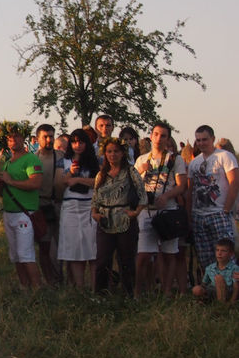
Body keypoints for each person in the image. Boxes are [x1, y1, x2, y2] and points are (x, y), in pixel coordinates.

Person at [134, 122, 187, 295]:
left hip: (168, 210)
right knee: (143, 255)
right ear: (151, 136)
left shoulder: (175, 159)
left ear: (167, 138)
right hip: (146, 210)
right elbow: (132, 185)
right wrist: (141, 171)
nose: (158, 138)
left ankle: (166, 292)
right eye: (156, 134)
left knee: (169, 253)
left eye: (163, 135)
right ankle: (139, 291)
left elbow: (182, 186)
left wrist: (166, 196)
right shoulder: (142, 159)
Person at [91, 137, 147, 295]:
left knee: (126, 260)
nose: (112, 154)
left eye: (116, 151)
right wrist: (95, 214)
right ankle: (101, 294)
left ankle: (129, 294)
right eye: (109, 151)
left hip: (125, 219)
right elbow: (95, 199)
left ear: (122, 153)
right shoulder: (101, 175)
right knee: (102, 260)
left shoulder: (130, 171)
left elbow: (143, 195)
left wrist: (135, 213)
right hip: (105, 220)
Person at [0, 122, 43, 290]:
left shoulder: (30, 159)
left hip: (25, 212)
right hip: (9, 212)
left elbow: (35, 183)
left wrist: (11, 181)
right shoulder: (7, 161)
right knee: (15, 255)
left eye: (16, 136)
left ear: (23, 138)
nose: (13, 140)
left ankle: (37, 288)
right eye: (9, 138)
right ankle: (24, 287)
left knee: (26, 254)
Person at [187, 125, 238, 271]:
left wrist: (226, 210)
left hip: (219, 212)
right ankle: (212, 290)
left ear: (212, 139)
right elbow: (190, 191)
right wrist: (190, 215)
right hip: (199, 214)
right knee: (205, 257)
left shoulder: (225, 156)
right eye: (198, 140)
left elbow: (234, 183)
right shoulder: (194, 163)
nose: (201, 143)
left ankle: (232, 290)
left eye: (205, 139)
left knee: (227, 256)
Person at [56, 129, 99, 288]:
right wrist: (70, 174)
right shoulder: (64, 161)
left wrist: (80, 179)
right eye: (74, 142)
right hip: (70, 206)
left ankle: (96, 288)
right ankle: (80, 288)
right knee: (74, 249)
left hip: (90, 205)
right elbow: (59, 184)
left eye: (81, 142)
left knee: (93, 248)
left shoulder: (95, 161)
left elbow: (99, 182)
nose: (77, 145)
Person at [35, 124, 63, 284]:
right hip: (41, 206)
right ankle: (50, 280)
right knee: (45, 246)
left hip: (59, 204)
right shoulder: (33, 158)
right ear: (38, 138)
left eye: (51, 136)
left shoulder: (61, 156)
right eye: (45, 136)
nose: (49, 140)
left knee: (61, 244)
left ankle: (61, 278)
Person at [191, 238, 239, 303]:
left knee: (219, 278)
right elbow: (204, 284)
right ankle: (206, 300)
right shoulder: (210, 268)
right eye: (217, 250)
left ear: (231, 254)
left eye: (223, 251)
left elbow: (236, 287)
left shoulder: (235, 268)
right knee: (196, 289)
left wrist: (232, 301)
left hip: (228, 292)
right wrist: (200, 290)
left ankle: (221, 304)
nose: (219, 253)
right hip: (213, 291)